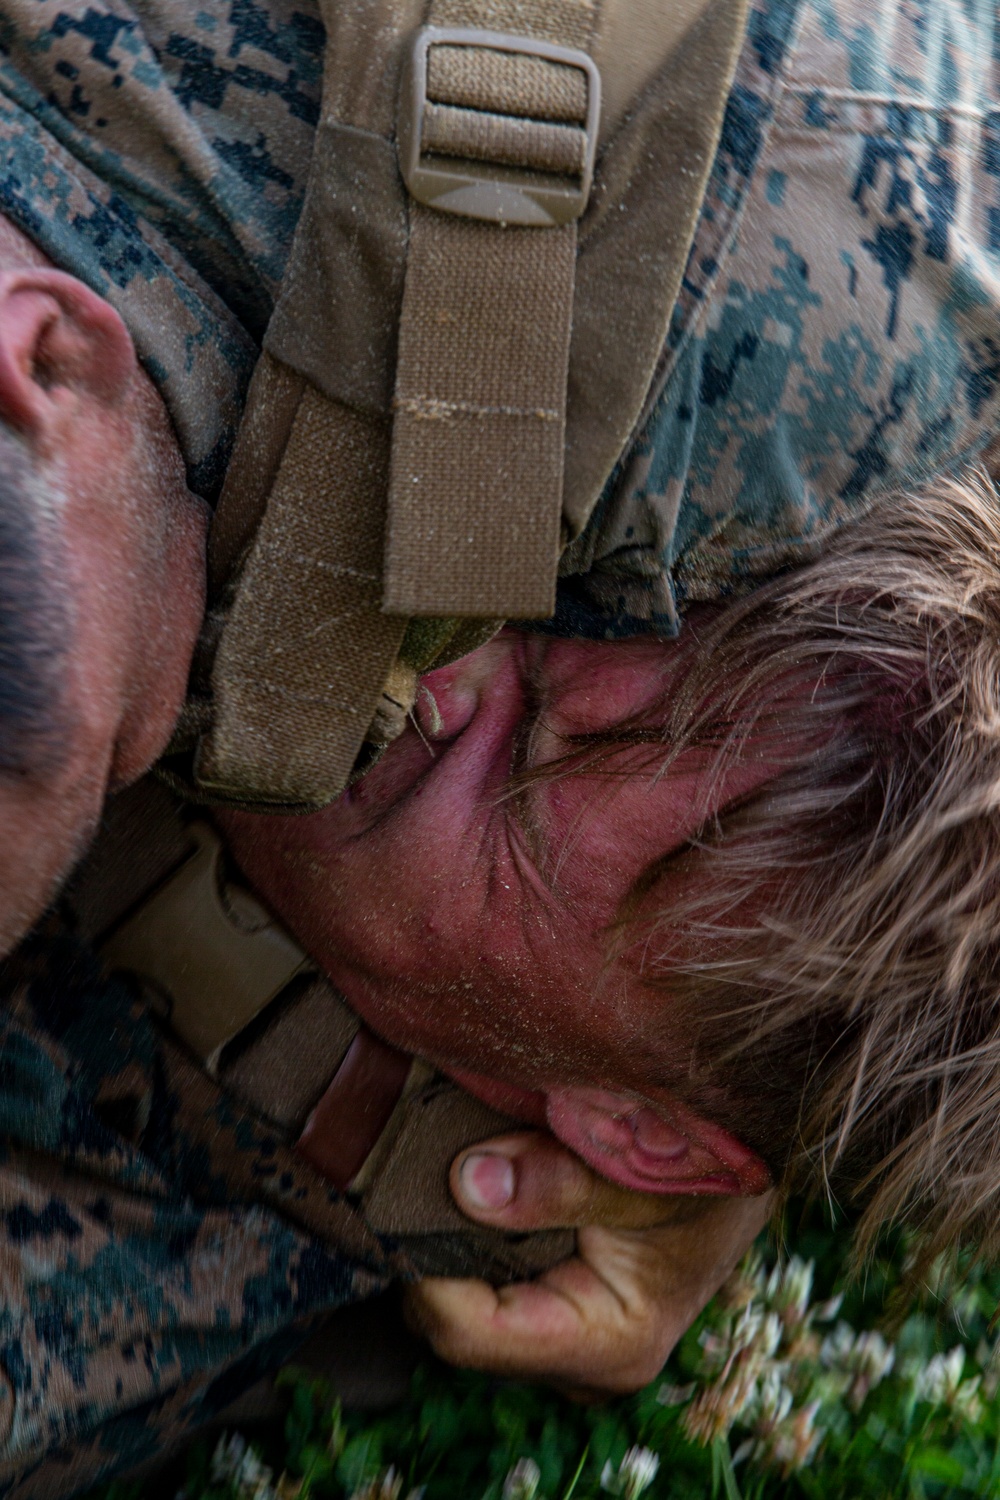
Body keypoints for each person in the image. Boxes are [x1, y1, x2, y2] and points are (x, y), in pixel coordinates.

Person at [0, 0, 998, 1489]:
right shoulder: (770, 363)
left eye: (512, 791)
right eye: (564, 629)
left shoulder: (249, 1186)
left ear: (636, 1136)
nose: (456, 670)